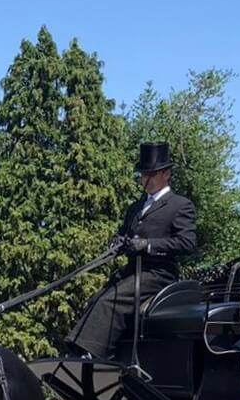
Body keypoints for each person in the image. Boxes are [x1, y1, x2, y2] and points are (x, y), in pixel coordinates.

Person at [66, 141, 197, 359]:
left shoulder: (180, 205)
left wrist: (147, 245)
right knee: (98, 297)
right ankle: (80, 349)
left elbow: (187, 243)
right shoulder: (135, 208)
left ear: (167, 174)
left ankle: (93, 355)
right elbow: (126, 235)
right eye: (144, 175)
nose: (146, 180)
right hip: (132, 271)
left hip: (158, 274)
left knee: (112, 301)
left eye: (152, 174)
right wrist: (118, 242)